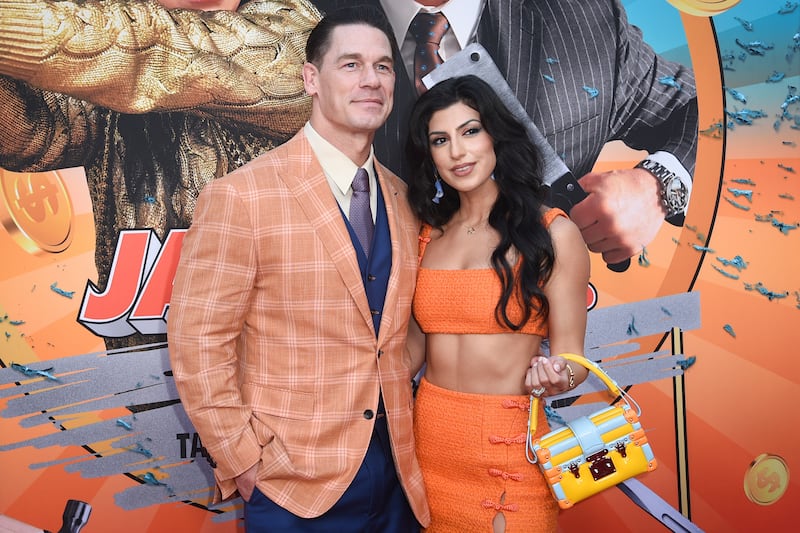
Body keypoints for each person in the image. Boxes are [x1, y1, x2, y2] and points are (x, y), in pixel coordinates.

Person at [167, 7, 429, 532]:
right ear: (311, 78)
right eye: (350, 65)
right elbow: (197, 343)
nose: (371, 80)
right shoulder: (241, 195)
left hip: (400, 478)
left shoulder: (404, 199)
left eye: (383, 66)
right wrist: (244, 462)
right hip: (293, 489)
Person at [0, 0, 320, 348]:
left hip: (290, 377)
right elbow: (35, 134)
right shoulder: (114, 60)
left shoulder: (298, 35)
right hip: (154, 377)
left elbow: (163, 51)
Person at [312, 0, 698, 267]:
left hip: (527, 360)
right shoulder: (273, 27)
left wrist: (657, 186)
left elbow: (700, 107)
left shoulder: (584, 19)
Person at [405, 75, 590, 531]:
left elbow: (574, 360)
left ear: (496, 137)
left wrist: (557, 374)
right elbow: (407, 354)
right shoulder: (425, 236)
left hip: (509, 446)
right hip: (428, 442)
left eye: (470, 131)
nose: (458, 152)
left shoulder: (553, 234)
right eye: (440, 140)